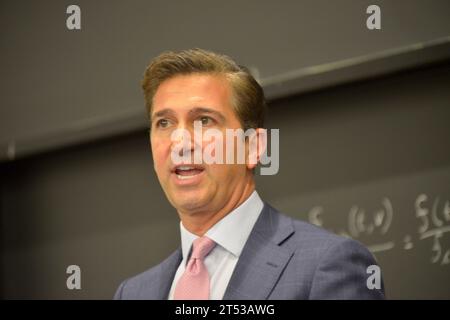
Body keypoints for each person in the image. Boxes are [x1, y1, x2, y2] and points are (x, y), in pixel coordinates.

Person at [114, 48, 385, 300]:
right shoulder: (133, 293)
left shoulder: (329, 266)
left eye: (204, 120)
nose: (181, 143)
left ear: (253, 147)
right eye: (164, 123)